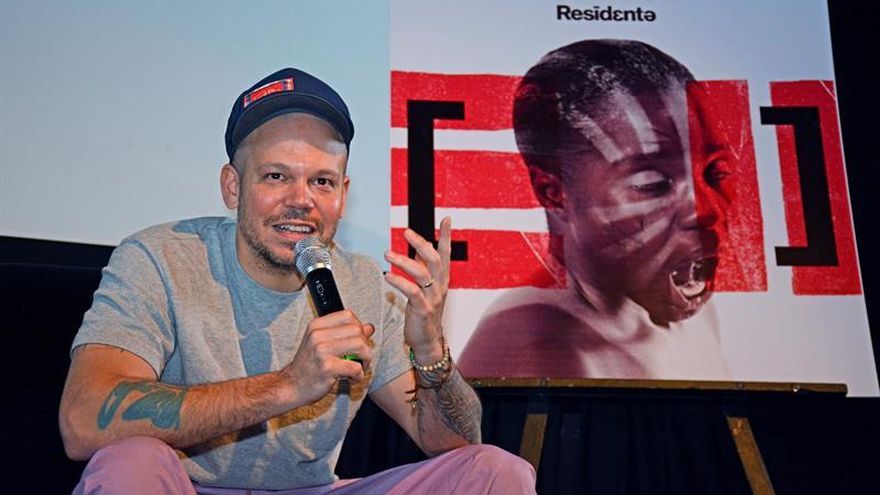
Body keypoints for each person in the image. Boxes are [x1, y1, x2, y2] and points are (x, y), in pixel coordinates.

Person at [59, 67, 536, 494]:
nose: (301, 200)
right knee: (129, 462)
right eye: (276, 176)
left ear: (342, 195)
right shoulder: (161, 259)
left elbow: (453, 444)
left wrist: (430, 350)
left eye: (322, 182)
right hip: (187, 488)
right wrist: (289, 385)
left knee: (495, 472)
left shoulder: (366, 285)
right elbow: (83, 422)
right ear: (232, 186)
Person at [459, 40, 735, 380]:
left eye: (716, 173)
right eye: (651, 182)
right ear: (554, 193)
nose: (705, 210)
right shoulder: (538, 347)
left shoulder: (687, 312)